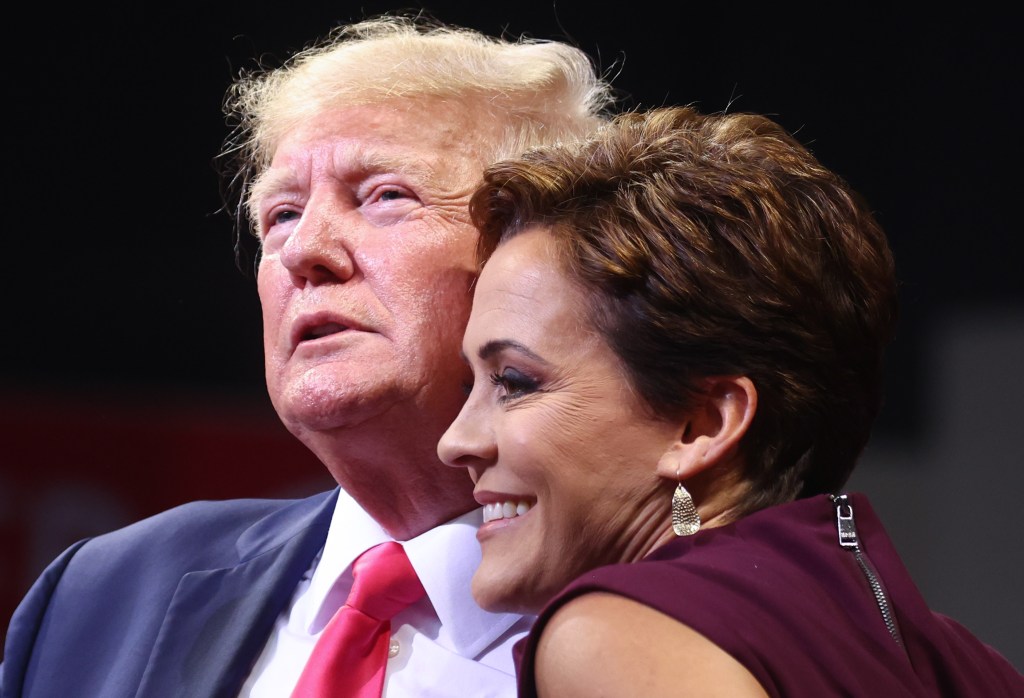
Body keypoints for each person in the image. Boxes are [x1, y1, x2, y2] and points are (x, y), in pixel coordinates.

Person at [1, 16, 612, 697]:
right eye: (282, 214)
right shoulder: (102, 596)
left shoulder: (675, 618)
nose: (304, 251)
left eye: (385, 196)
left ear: (538, 260)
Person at [438, 106, 1024, 696]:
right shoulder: (968, 665)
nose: (455, 442)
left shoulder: (622, 635)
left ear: (703, 425)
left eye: (513, 381)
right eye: (472, 386)